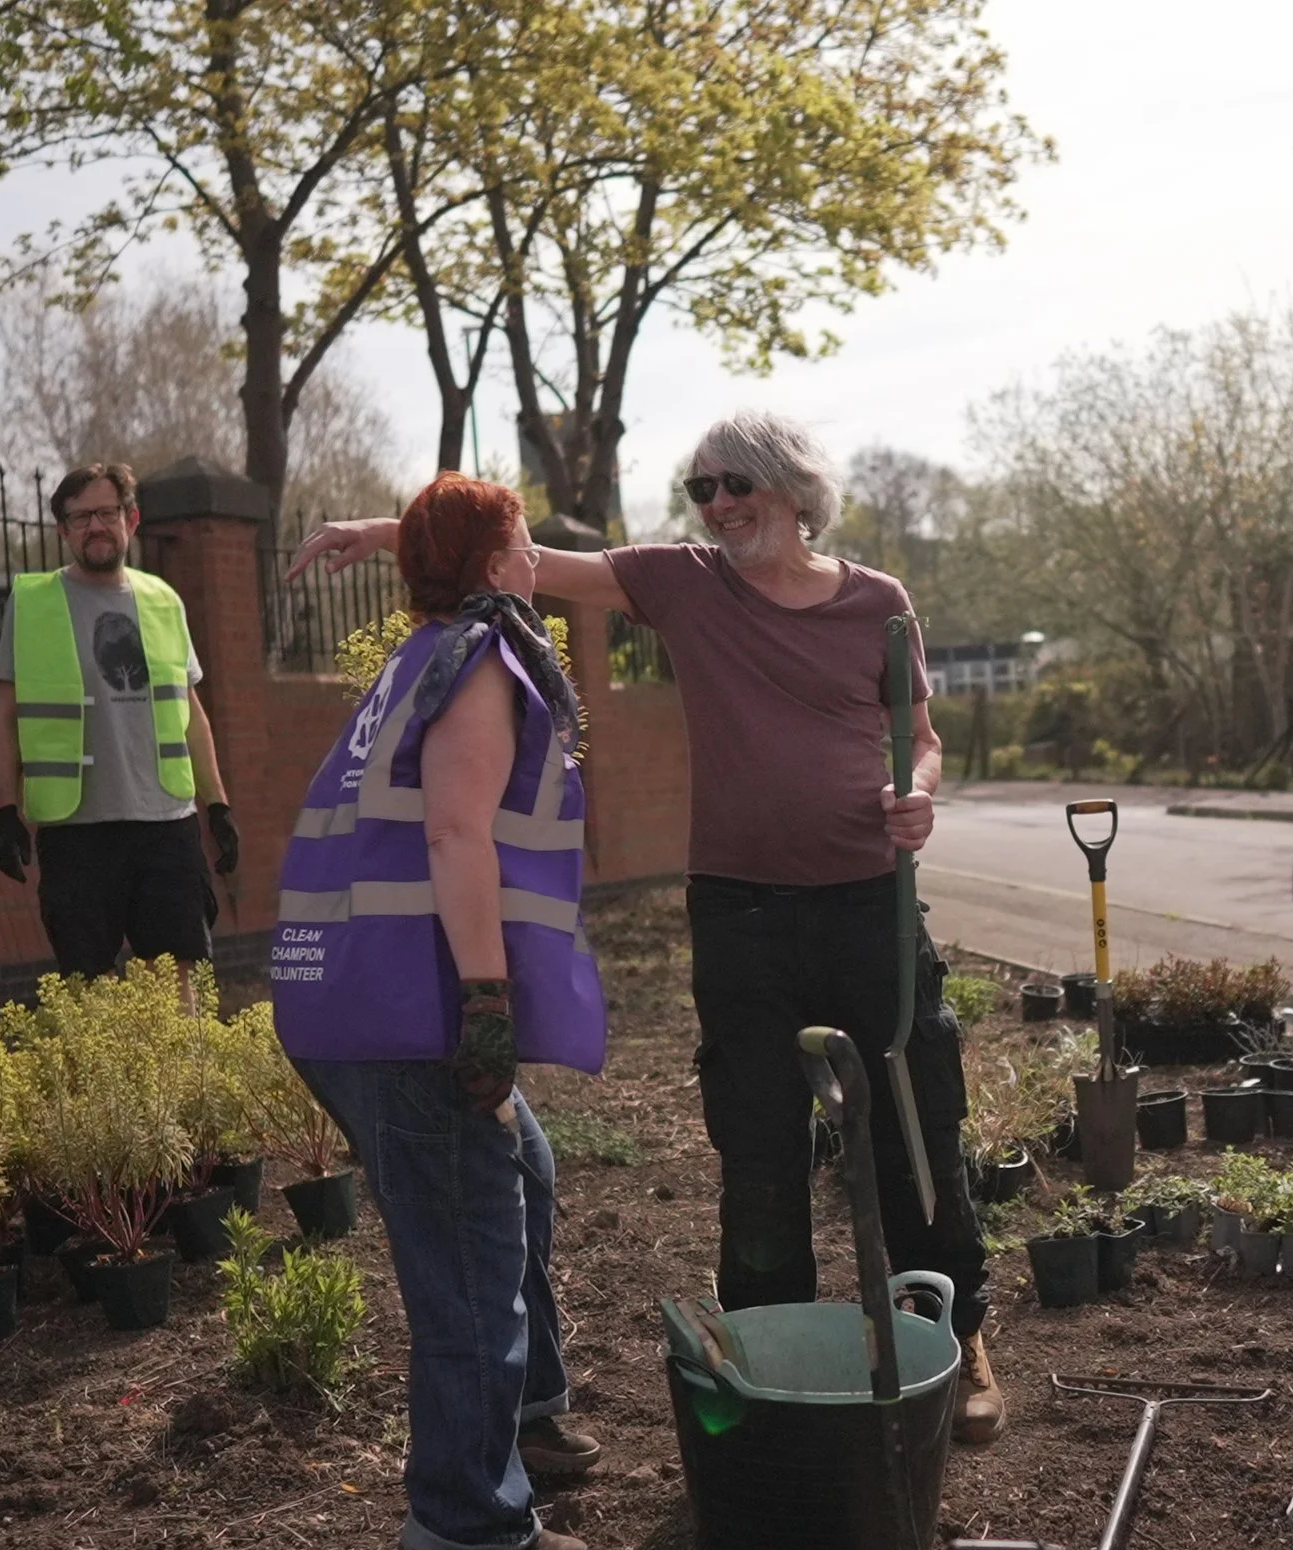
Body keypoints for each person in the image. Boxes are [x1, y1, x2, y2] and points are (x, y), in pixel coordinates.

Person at [291, 411, 1008, 1446]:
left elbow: (923, 738)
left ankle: (954, 1330)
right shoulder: (684, 581)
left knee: (912, 1123)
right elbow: (527, 559)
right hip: (741, 910)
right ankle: (768, 1355)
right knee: (756, 1144)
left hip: (870, 905)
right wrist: (381, 532)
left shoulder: (878, 607)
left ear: (791, 490)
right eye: (700, 490)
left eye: (732, 487)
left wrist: (917, 790)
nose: (715, 507)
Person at [272, 473, 606, 1550]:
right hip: (409, 1014)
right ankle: (466, 1516)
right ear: (493, 561)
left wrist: (393, 532)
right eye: (519, 543)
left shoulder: (424, 651)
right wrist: (485, 1011)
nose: (534, 560)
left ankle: (533, 1410)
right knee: (469, 1263)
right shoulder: (476, 667)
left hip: (342, 1000)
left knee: (526, 1174)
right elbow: (458, 837)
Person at [0, 463, 239, 978]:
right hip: (76, 831)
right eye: (79, 518)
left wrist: (218, 808)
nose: (94, 527)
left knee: (175, 984)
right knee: (89, 992)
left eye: (105, 512)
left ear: (132, 518)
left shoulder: (164, 602)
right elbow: (4, 716)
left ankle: (178, 1067)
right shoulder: (32, 604)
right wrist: (3, 812)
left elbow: (190, 712)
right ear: (63, 530)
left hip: (166, 821)